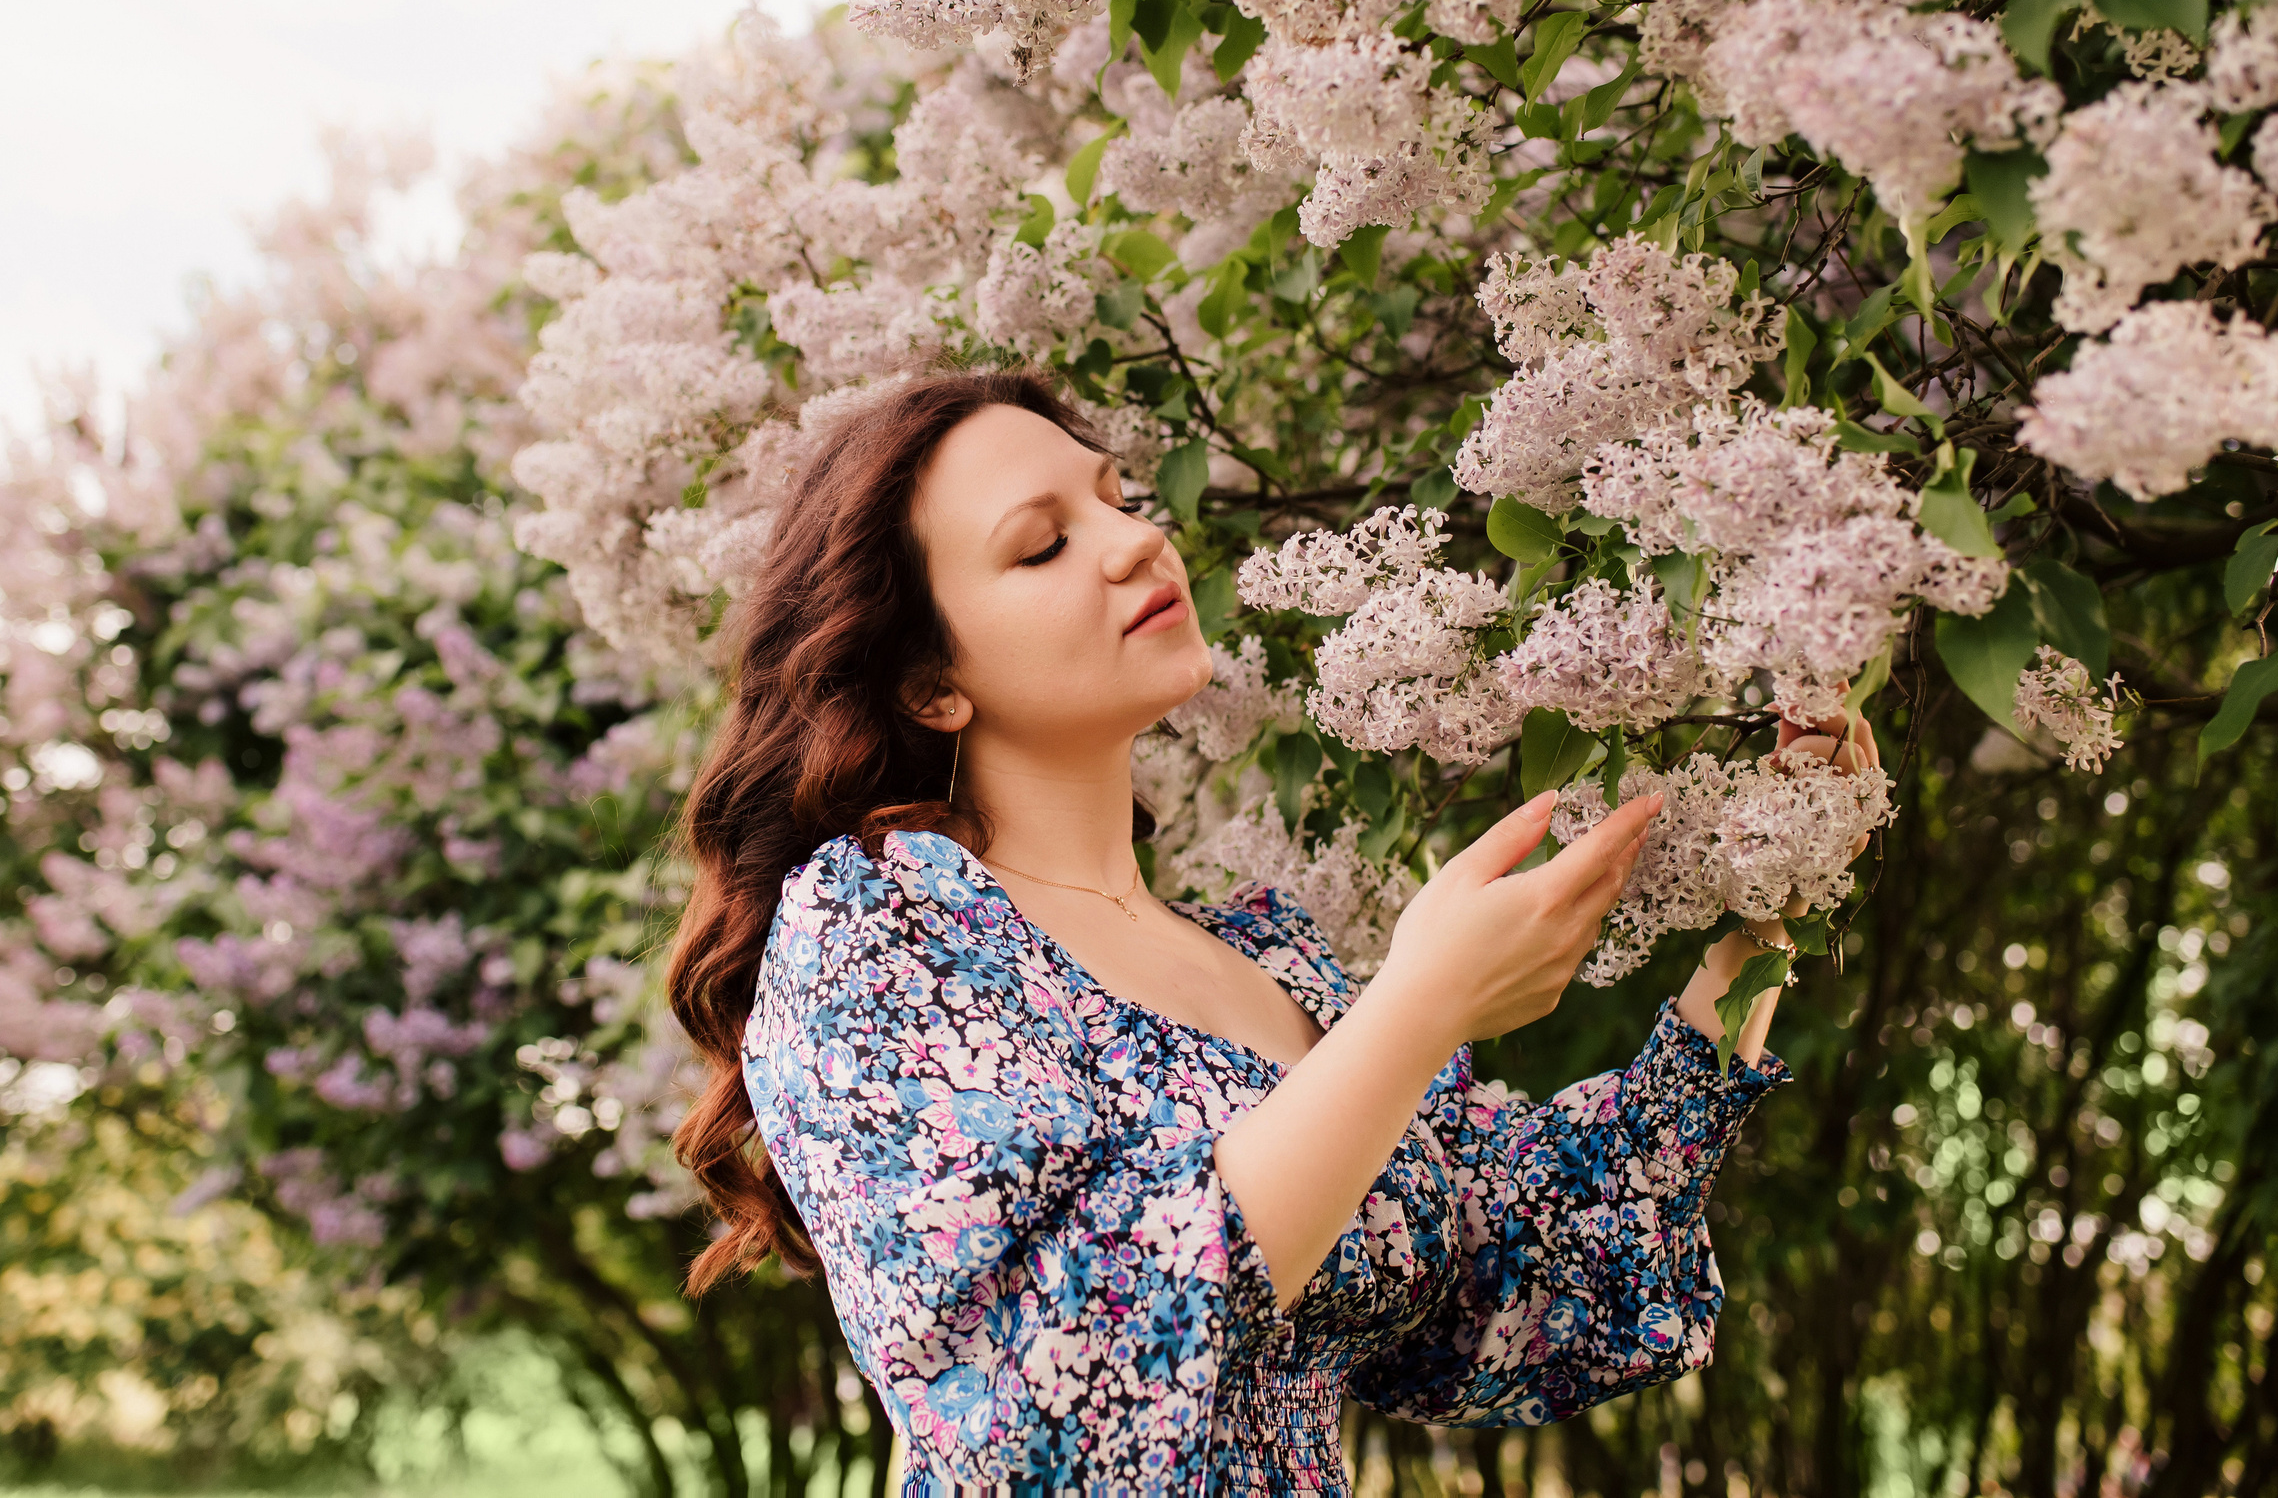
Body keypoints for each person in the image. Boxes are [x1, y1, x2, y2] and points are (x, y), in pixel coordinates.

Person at [664, 368, 1879, 1492]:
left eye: (1118, 497)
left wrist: (1761, 910)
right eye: (1042, 545)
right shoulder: (879, 929)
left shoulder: (1264, 959)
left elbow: (1542, 1277)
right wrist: (1416, 1010)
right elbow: (1051, 1392)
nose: (1137, 538)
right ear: (931, 683)